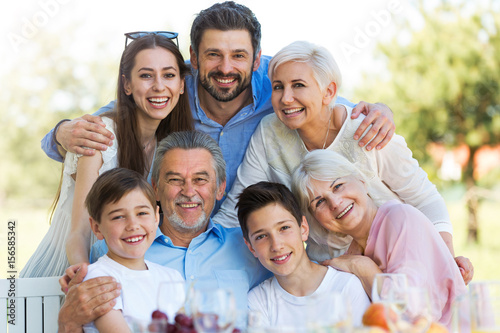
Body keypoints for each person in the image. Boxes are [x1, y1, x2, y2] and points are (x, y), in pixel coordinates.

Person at [40, 1, 396, 213]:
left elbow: (330, 107)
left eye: (238, 56)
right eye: (213, 55)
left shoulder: (279, 88)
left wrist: (381, 110)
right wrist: (61, 132)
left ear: (257, 59)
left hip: (256, 240)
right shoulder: (171, 91)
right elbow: (113, 116)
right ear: (193, 58)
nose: (226, 68)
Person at [213, 40, 473, 284]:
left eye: (299, 85)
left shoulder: (369, 129)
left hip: (402, 261)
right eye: (278, 87)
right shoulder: (270, 132)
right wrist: (195, 252)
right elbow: (237, 208)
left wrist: (446, 262)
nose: (286, 98)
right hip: (334, 275)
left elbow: (425, 199)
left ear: (329, 92)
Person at [57, 131, 272, 333]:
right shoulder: (113, 250)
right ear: (156, 188)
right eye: (175, 180)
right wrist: (68, 317)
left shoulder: (249, 246)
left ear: (220, 188)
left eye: (200, 180)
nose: (188, 192)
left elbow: (294, 280)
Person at [20, 34, 193, 278]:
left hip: (118, 273)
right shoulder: (102, 135)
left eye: (169, 75)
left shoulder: (164, 145)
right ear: (127, 85)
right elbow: (79, 232)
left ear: (182, 84)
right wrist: (88, 278)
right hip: (69, 270)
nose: (159, 86)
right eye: (146, 75)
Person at [292, 149, 468, 328]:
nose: (335, 203)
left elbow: (410, 313)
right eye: (319, 202)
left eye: (338, 186)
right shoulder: (351, 253)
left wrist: (363, 267)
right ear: (316, 219)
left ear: (361, 180)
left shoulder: (400, 219)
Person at [236, 181, 370, 328]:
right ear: (251, 247)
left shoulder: (346, 286)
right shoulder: (257, 302)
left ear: (304, 229)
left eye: (284, 228)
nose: (276, 245)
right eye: (261, 236)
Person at [82, 168, 184, 332]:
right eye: (118, 217)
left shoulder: (171, 277)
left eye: (142, 213)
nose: (133, 225)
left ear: (156, 217)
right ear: (97, 227)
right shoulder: (99, 279)